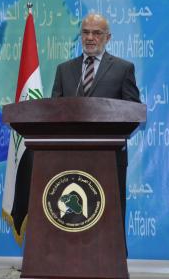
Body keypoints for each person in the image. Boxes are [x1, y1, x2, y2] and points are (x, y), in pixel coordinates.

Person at [51, 13, 141, 239]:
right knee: (72, 216)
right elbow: (52, 112)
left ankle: (114, 263)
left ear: (108, 37)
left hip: (109, 156)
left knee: (109, 212)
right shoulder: (65, 70)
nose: (90, 37)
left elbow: (134, 111)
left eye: (96, 33)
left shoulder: (123, 69)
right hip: (68, 157)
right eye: (85, 32)